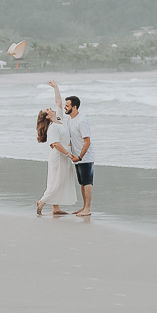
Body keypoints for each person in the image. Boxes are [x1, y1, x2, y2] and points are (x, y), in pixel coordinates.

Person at [50, 80, 95, 216]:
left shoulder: (82, 120)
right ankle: (84, 207)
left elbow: (87, 142)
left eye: (68, 106)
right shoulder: (70, 120)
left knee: (87, 183)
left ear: (74, 107)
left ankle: (88, 208)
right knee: (82, 183)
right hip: (77, 157)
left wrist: (80, 156)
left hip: (85, 156)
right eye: (65, 105)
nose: (65, 108)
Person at [36, 80, 76, 216]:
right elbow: (56, 144)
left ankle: (55, 209)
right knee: (56, 182)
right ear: (47, 116)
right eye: (47, 110)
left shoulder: (58, 118)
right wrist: (68, 154)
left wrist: (55, 87)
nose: (50, 108)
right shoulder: (52, 128)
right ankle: (41, 202)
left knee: (59, 181)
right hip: (59, 157)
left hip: (63, 156)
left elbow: (59, 102)